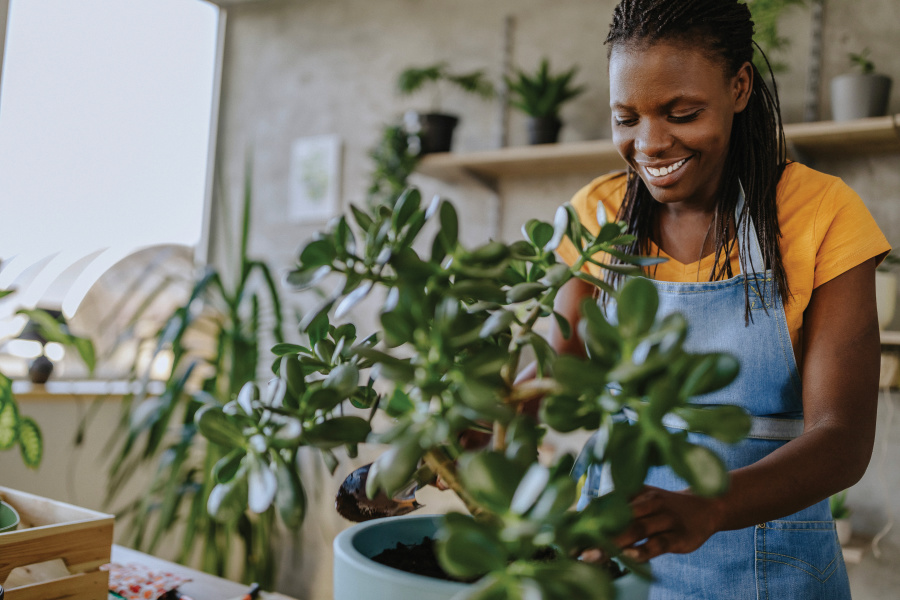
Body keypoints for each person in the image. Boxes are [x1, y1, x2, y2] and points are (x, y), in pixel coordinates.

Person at [551, 1, 890, 598]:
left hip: (773, 568)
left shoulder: (820, 212)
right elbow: (560, 375)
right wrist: (484, 416)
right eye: (626, 118)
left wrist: (707, 507)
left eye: (681, 114)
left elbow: (842, 439)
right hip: (615, 563)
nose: (650, 144)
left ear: (739, 87)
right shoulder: (598, 213)